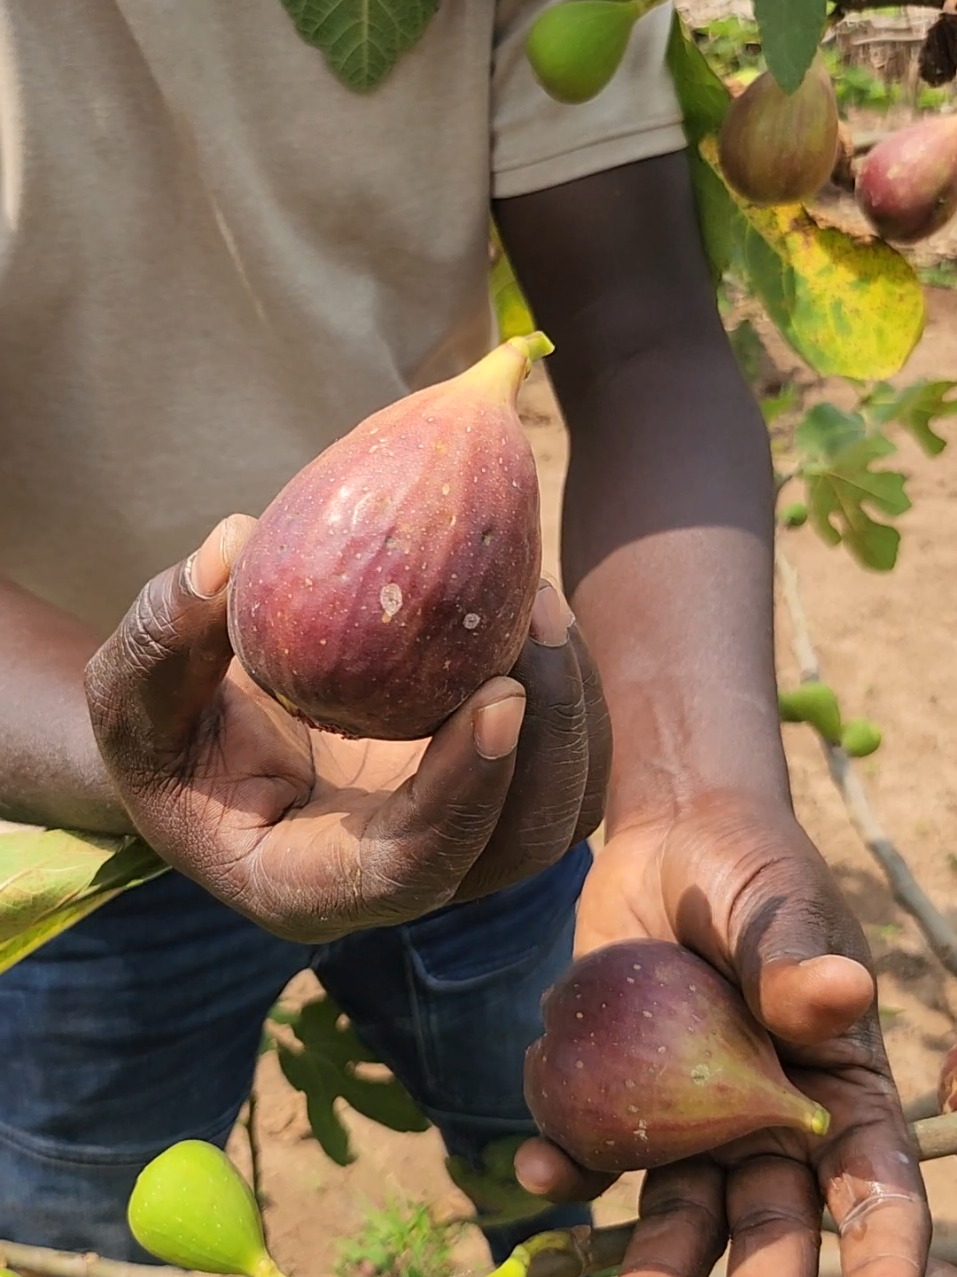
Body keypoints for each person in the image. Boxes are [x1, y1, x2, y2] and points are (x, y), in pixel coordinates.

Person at [0, 3, 934, 1274]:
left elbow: (643, 334)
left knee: (559, 1168)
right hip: (64, 810)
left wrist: (689, 790)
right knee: (87, 1231)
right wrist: (115, 744)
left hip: (498, 784)